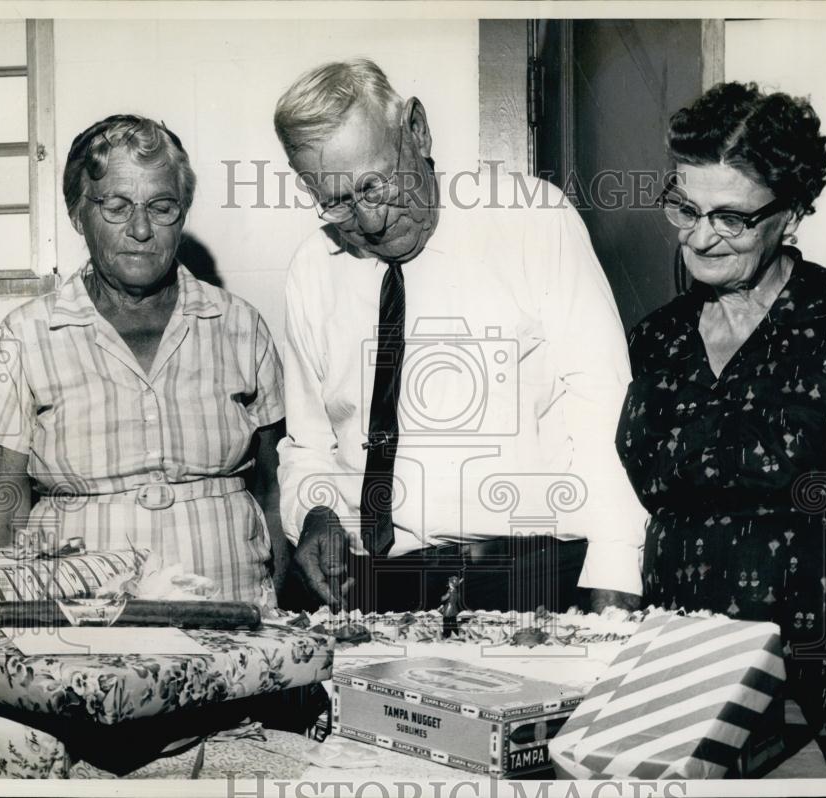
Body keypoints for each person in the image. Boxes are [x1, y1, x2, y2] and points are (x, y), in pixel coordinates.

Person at [615, 82, 826, 777]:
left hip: (812, 690)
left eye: (731, 218)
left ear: (792, 216)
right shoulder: (656, 337)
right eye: (685, 208)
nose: (697, 236)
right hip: (680, 680)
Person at [273, 58, 647, 615]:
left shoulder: (533, 222)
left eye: (377, 185)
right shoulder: (312, 268)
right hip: (374, 587)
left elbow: (604, 412)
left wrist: (616, 578)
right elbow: (309, 445)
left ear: (417, 130)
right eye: (339, 201)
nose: (371, 223)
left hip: (527, 577)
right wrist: (317, 513)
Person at [0, 114, 287, 605]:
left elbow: (274, 491)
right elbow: (1, 508)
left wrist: (275, 620)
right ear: (77, 214)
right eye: (116, 206)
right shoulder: (25, 336)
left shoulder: (240, 326)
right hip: (79, 626)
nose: (140, 229)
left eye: (161, 206)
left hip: (235, 620)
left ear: (182, 213)